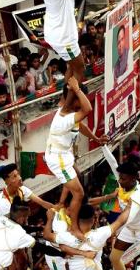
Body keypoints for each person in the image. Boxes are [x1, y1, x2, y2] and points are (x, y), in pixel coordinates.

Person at [44, 77, 105, 234]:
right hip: (58, 158)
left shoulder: (70, 113)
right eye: (80, 98)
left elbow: (81, 126)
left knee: (77, 174)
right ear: (75, 98)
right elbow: (88, 110)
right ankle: (74, 227)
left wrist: (96, 139)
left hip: (64, 154)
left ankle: (62, 203)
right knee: (79, 193)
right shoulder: (64, 116)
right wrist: (77, 89)